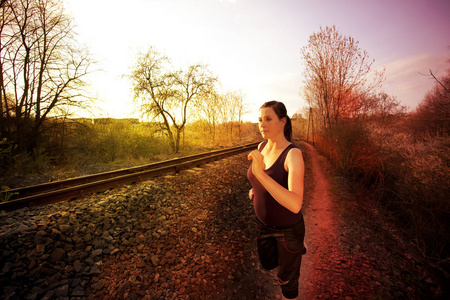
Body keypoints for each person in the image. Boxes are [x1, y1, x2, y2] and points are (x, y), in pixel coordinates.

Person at [247, 100, 306, 300]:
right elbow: (259, 181)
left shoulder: (293, 154)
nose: (262, 124)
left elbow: (295, 203)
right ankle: (294, 253)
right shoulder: (261, 146)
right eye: (260, 120)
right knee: (268, 264)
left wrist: (260, 175)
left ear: (283, 121)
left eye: (268, 119)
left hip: (287, 230)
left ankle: (296, 250)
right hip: (262, 225)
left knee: (287, 281)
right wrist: (255, 189)